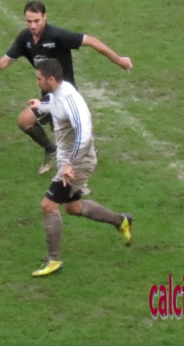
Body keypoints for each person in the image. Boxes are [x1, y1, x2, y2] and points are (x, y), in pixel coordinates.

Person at [0, 1, 132, 175]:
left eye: (36, 21)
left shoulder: (57, 35)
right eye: (29, 21)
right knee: (57, 130)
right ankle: (60, 150)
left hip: (64, 94)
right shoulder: (25, 38)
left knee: (33, 122)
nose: (33, 26)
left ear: (45, 17)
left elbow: (92, 41)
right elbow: (8, 58)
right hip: (48, 94)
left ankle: (79, 153)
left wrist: (119, 60)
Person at [27, 59, 133, 277]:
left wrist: (70, 164)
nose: (37, 82)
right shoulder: (59, 93)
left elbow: (84, 137)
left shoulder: (70, 99)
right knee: (73, 207)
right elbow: (57, 107)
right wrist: (41, 106)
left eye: (39, 79)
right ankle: (121, 220)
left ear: (51, 79)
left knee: (48, 206)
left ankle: (54, 260)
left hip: (78, 162)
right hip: (69, 160)